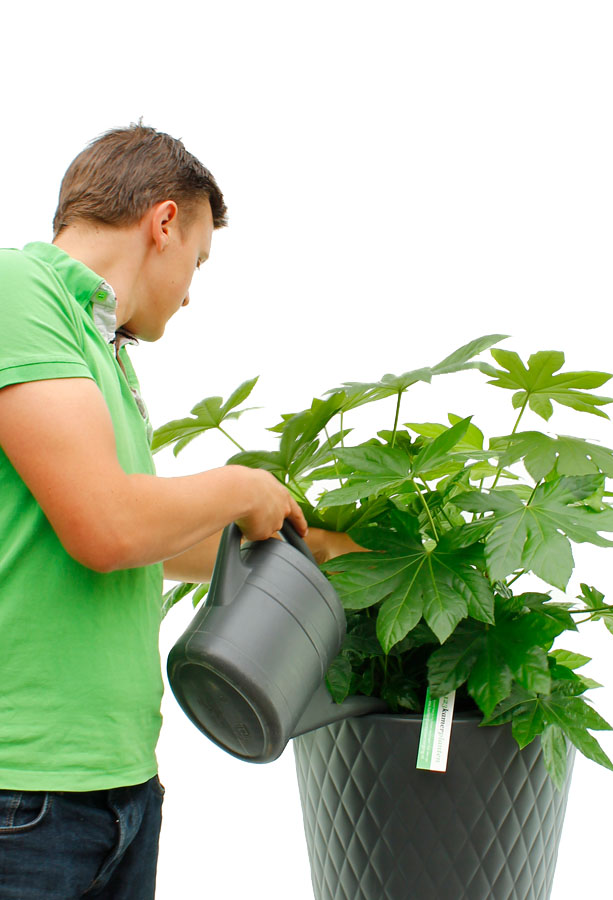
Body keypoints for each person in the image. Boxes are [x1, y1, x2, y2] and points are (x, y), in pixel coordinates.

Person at [0, 123, 353, 899]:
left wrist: (321, 550)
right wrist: (240, 485)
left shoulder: (102, 347)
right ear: (164, 222)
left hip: (117, 789)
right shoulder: (16, 290)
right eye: (197, 260)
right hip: (23, 798)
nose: (191, 291)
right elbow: (109, 526)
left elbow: (145, 542)